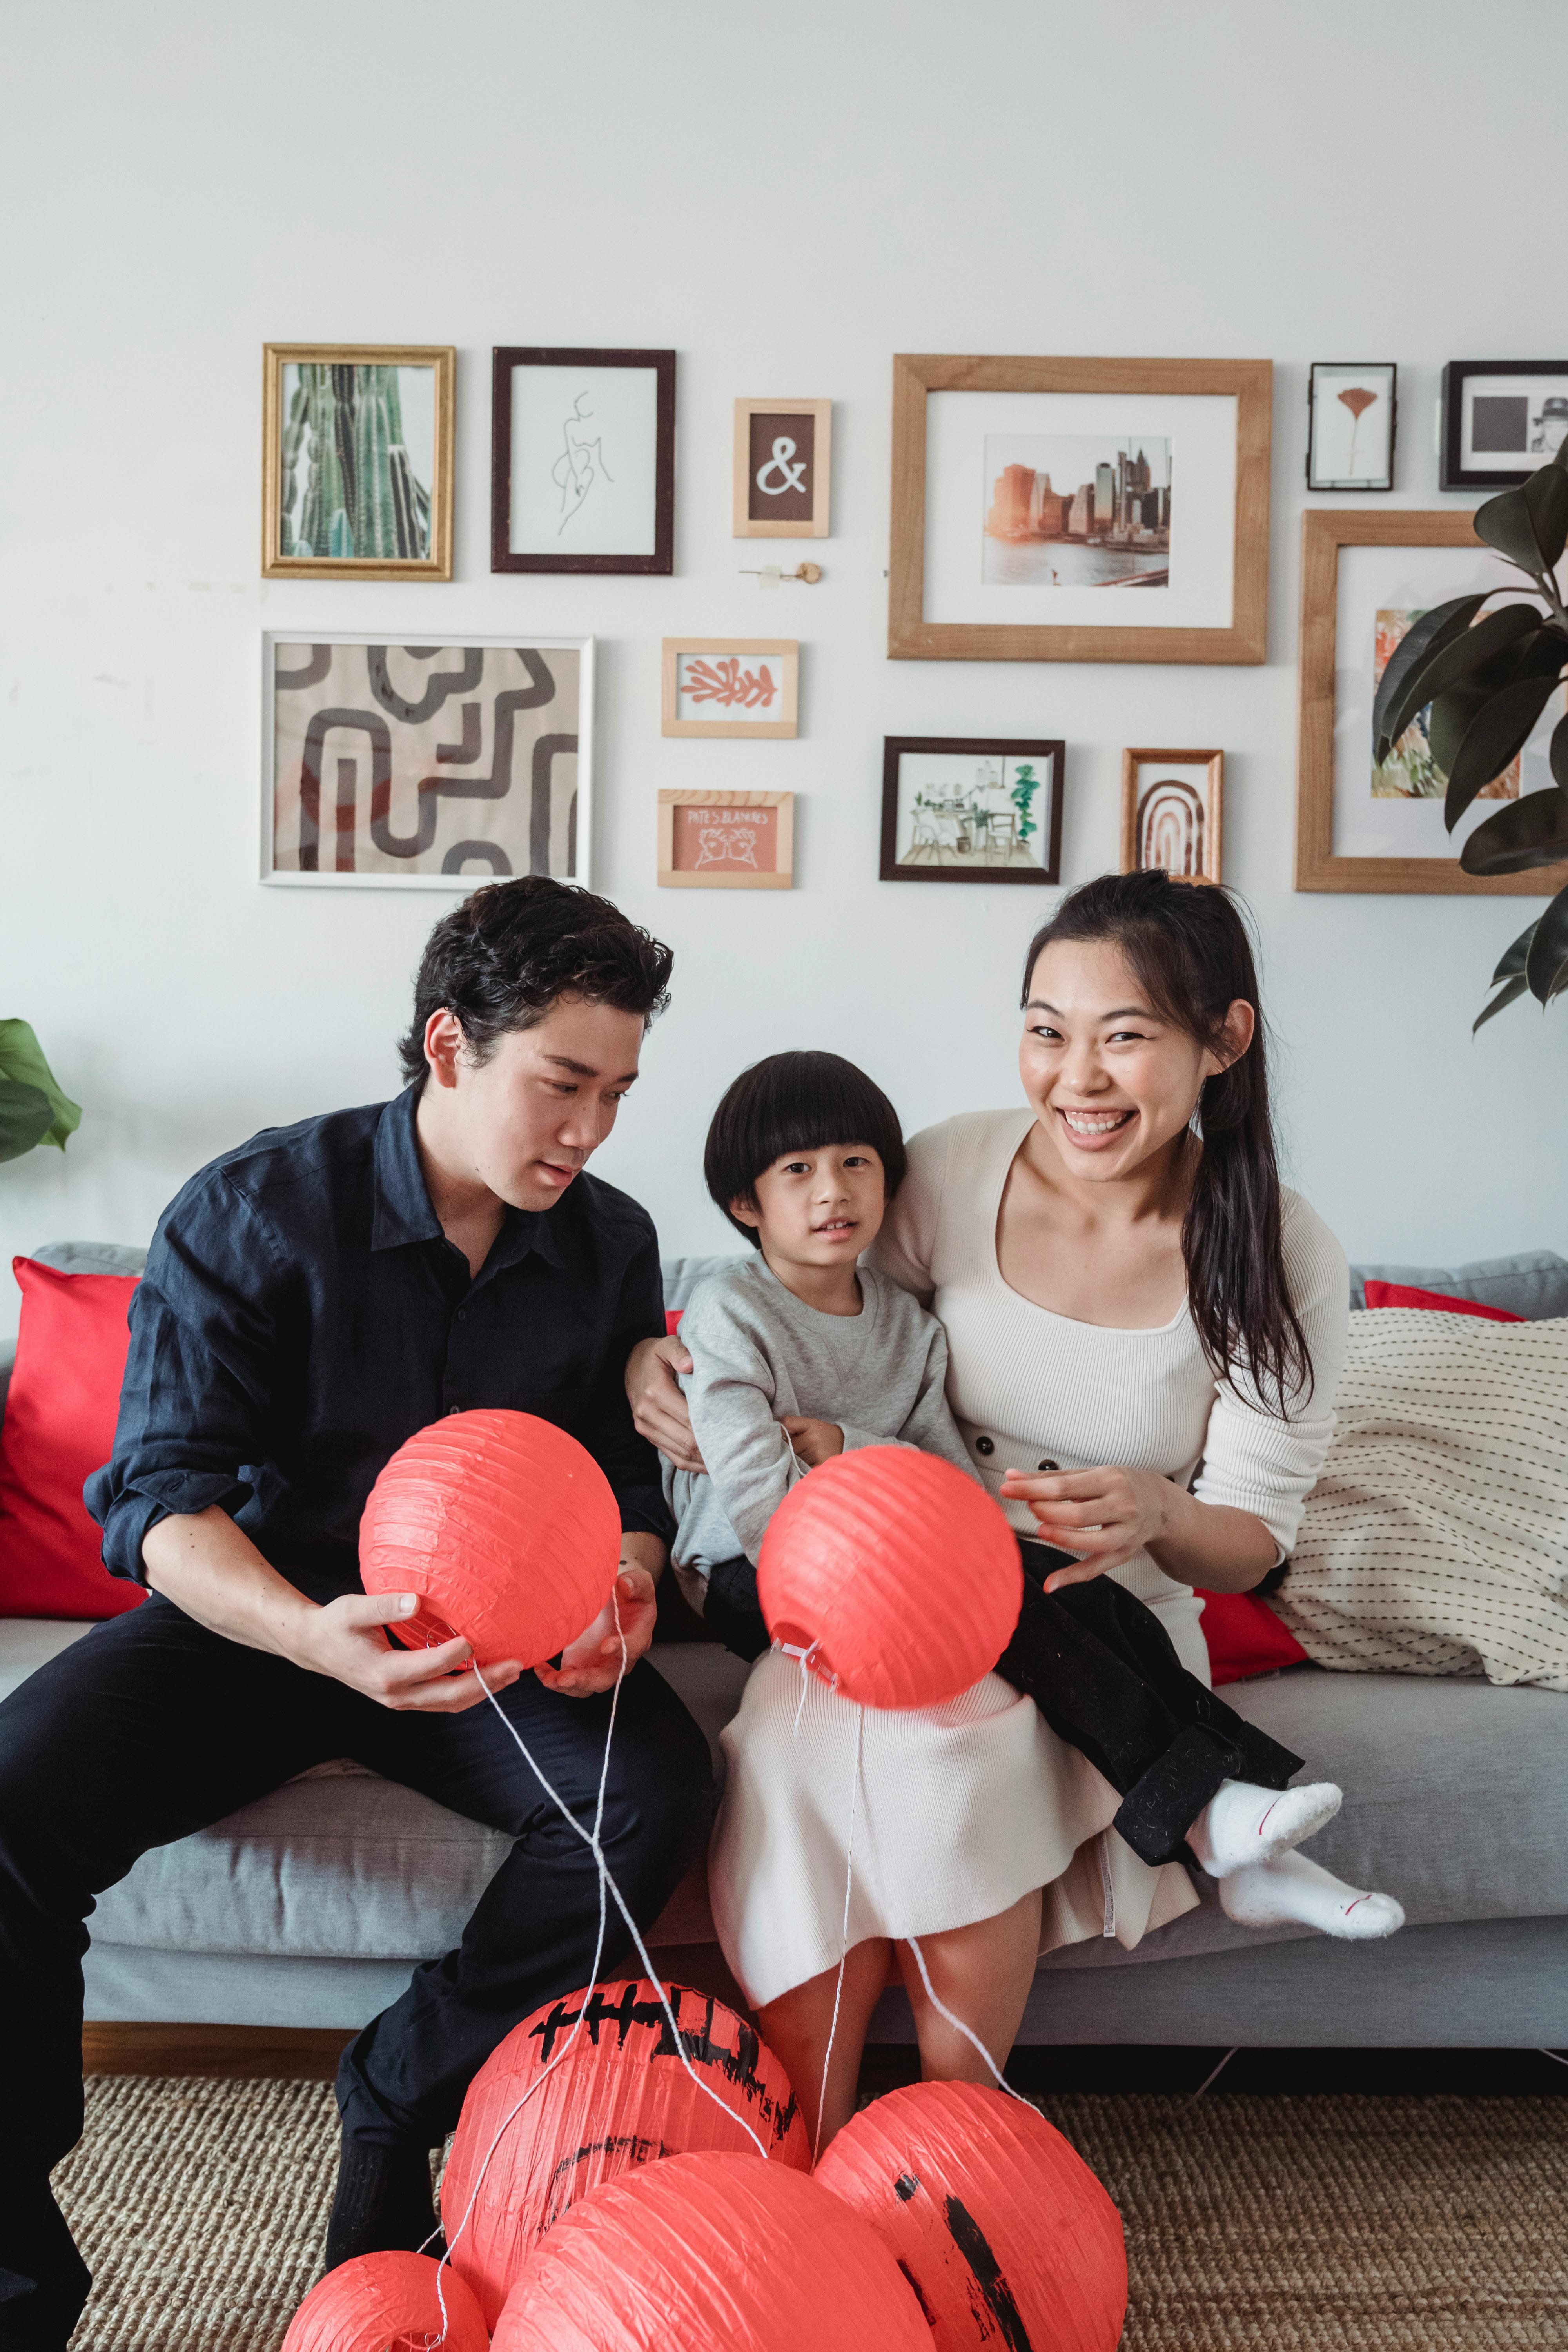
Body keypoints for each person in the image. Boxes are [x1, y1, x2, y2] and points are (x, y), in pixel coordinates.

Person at [0, 878, 714, 2352]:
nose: (588, 1132)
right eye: (561, 1085)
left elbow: (624, 1487)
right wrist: (308, 1633)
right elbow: (156, 1503)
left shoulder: (610, 1242)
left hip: (493, 1644)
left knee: (654, 1794)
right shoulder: (256, 1210)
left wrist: (627, 1587)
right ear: (450, 1047)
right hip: (259, 1618)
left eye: (619, 1093)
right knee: (6, 1803)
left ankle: (399, 2084)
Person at [629, 872, 1401, 2005]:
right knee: (841, 1748)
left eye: (1125, 1036)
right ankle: (806, 2136)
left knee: (963, 1751)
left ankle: (966, 2121)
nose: (1075, 1078)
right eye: (1047, 1032)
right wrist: (663, 1358)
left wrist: (1165, 1511)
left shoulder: (1278, 1247)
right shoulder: (944, 1171)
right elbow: (806, 1314)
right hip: (896, 1571)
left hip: (1110, 1606)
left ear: (1223, 1040)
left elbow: (1253, 1545)